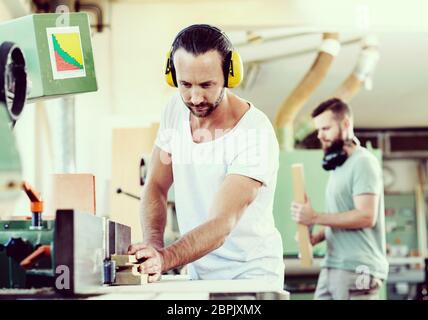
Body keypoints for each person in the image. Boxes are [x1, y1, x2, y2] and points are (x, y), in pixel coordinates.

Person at [128, 24, 284, 288]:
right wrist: (153, 247)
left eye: (207, 85)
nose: (195, 97)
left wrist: (166, 257)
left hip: (250, 277)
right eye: (185, 84)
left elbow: (222, 223)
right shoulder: (174, 111)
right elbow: (155, 185)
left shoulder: (254, 133)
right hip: (199, 273)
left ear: (229, 75)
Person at [291, 98, 388, 299]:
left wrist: (314, 217)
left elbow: (366, 216)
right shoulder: (339, 166)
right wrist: (316, 237)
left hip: (356, 267)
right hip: (334, 264)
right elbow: (343, 217)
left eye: (326, 128)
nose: (320, 136)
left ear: (345, 125)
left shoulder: (363, 162)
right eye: (318, 130)